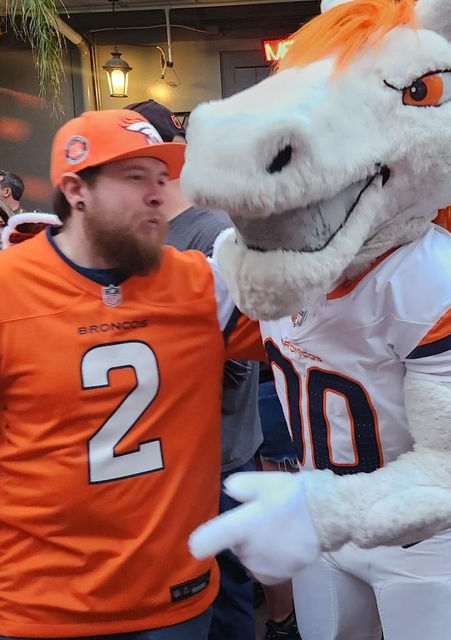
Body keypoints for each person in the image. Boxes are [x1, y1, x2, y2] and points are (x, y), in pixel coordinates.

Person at [0, 109, 265, 639]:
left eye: (162, 177)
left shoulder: (202, 284)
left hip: (172, 602)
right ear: (76, 190)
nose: (158, 194)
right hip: (34, 605)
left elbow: (309, 337)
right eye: (135, 177)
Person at [125, 98, 283, 640]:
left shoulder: (212, 233)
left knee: (220, 595)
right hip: (161, 456)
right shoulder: (144, 231)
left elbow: (240, 360)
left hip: (215, 453)